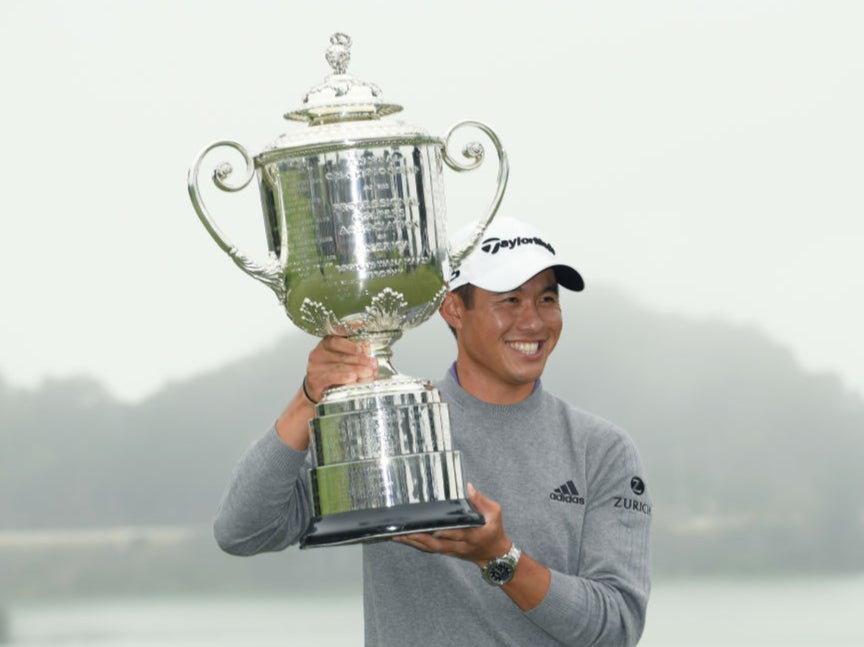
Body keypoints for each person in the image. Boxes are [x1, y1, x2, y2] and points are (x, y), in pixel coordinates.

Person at [214, 216, 652, 647]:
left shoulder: (602, 450)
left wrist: (499, 557)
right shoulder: (389, 422)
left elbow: (617, 626)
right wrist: (308, 399)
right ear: (454, 309)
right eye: (510, 300)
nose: (534, 322)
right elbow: (244, 531)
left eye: (547, 300)